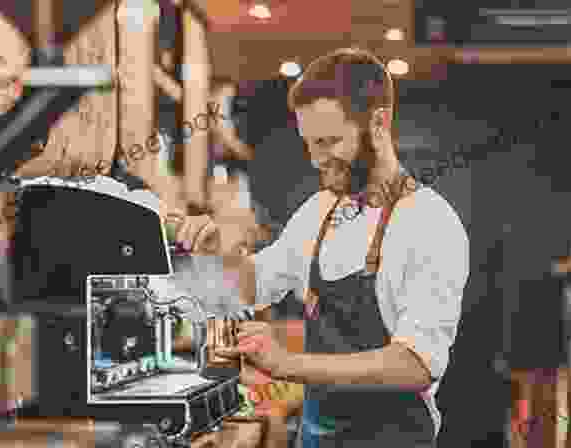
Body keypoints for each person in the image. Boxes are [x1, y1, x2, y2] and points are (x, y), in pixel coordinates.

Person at [182, 48, 469, 447]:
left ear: (379, 123)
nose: (316, 160)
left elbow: (415, 363)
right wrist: (211, 252)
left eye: (330, 141)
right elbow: (250, 286)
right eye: (309, 144)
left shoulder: (428, 223)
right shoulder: (319, 211)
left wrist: (287, 364)